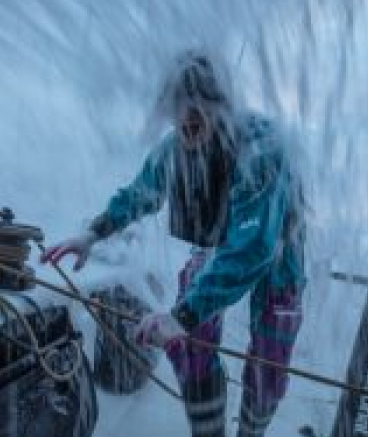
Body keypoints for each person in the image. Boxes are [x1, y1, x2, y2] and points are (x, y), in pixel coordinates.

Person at [41, 50, 306, 437]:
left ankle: (252, 431)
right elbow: (139, 194)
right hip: (218, 244)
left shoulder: (262, 149)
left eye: (201, 106)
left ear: (222, 107)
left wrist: (181, 317)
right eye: (180, 106)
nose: (189, 116)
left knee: (270, 358)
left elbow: (254, 248)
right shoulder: (172, 150)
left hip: (278, 249)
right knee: (188, 340)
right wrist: (92, 234)